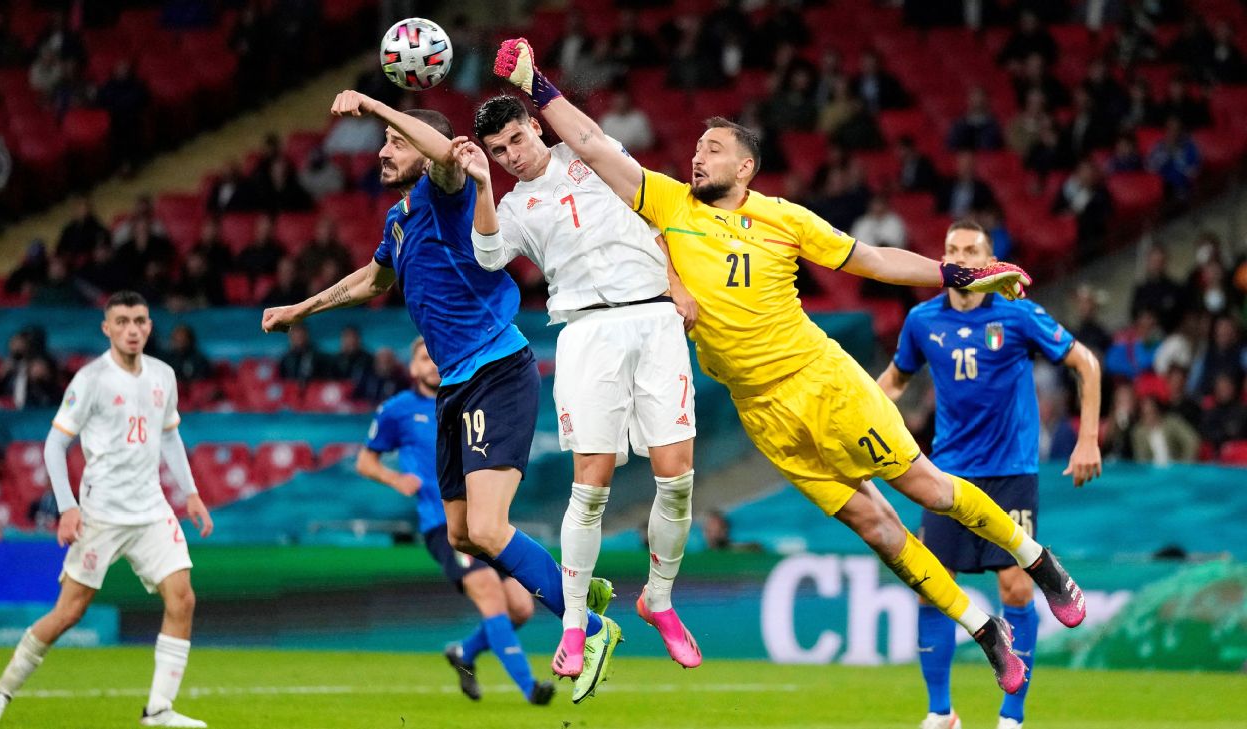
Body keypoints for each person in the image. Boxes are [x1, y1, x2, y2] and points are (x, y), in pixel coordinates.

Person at [497, 37, 1087, 698]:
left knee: (925, 487)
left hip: (822, 381)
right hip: (763, 412)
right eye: (696, 148)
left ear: (746, 167)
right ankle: (982, 628)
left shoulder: (783, 219)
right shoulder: (669, 204)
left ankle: (1038, 560)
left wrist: (956, 272)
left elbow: (877, 260)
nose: (697, 155)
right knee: (874, 527)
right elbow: (595, 143)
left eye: (713, 148)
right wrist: (536, 83)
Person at [259, 90, 620, 702]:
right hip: (455, 385)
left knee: (487, 522)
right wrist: (303, 308)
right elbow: (374, 278)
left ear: (425, 153)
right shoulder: (400, 220)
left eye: (397, 142)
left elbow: (445, 154)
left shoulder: (444, 191)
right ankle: (573, 588)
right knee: (460, 534)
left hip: (496, 369)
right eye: (385, 140)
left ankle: (587, 623)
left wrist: (376, 106)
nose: (383, 149)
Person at [457, 93, 700, 680]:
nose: (510, 155)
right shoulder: (511, 206)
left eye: (515, 140)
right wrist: (483, 185)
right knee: (590, 485)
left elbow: (654, 216)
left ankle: (658, 601)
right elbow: (488, 257)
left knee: (677, 477)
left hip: (655, 317)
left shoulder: (590, 154)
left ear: (534, 127)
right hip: (587, 331)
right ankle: (572, 622)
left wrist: (678, 285)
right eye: (497, 151)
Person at [877, 221, 1103, 729]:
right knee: (932, 586)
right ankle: (940, 713)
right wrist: (853, 426)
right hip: (946, 476)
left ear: (989, 261)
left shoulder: (1018, 315)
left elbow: (1085, 363)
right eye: (952, 249)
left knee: (1017, 589)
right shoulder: (921, 321)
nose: (961, 257)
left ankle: (1011, 718)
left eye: (972, 250)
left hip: (1010, 472)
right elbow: (892, 383)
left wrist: (1088, 438)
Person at [0, 291, 213, 728]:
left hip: (152, 511)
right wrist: (67, 508)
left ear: (149, 326)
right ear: (107, 329)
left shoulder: (163, 375)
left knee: (182, 598)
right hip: (101, 513)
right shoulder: (91, 380)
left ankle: (158, 709)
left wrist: (191, 492)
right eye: (122, 322)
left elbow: (170, 436)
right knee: (69, 613)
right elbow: (54, 443)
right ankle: (1, 688)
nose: (132, 329)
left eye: (139, 320)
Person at [355, 338, 554, 705]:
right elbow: (365, 461)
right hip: (445, 527)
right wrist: (396, 479)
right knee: (492, 597)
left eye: (435, 355)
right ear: (412, 369)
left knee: (522, 608)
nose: (431, 363)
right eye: (421, 358)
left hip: (486, 521)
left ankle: (464, 653)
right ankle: (530, 688)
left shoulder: (468, 400)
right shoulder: (397, 410)